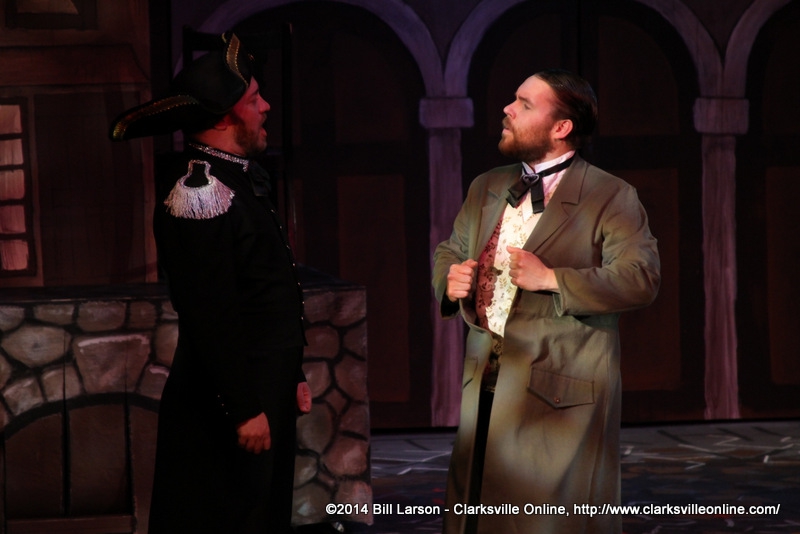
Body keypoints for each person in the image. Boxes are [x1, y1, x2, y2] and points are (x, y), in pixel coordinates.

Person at [432, 69, 660, 534]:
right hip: (488, 378)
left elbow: (640, 278)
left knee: (545, 519)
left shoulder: (610, 194)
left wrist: (552, 279)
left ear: (561, 127)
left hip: (559, 389)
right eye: (513, 99)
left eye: (524, 104)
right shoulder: (487, 186)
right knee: (479, 512)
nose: (507, 109)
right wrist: (449, 279)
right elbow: (450, 249)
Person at [109, 32, 311, 534]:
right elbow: (210, 311)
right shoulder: (198, 190)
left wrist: (293, 374)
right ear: (223, 118)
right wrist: (243, 408)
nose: (266, 107)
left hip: (265, 387)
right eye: (254, 100)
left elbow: (266, 293)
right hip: (230, 398)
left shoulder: (238, 178)